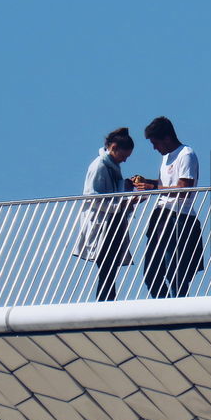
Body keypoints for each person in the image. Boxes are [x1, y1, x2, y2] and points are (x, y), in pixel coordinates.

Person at [131, 117, 204, 297]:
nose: (155, 148)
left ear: (167, 138)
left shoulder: (186, 154)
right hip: (161, 216)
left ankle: (179, 306)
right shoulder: (166, 158)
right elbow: (166, 183)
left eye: (156, 143)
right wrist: (146, 182)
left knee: (176, 272)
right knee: (151, 273)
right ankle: (164, 305)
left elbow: (185, 188)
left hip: (178, 217)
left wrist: (154, 188)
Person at [73, 127, 140, 301]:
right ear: (114, 147)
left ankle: (108, 300)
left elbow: (110, 195)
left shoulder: (112, 167)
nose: (124, 161)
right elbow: (92, 196)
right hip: (103, 223)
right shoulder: (100, 166)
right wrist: (122, 204)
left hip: (112, 222)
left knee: (110, 267)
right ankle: (105, 302)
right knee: (106, 266)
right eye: (124, 155)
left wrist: (125, 192)